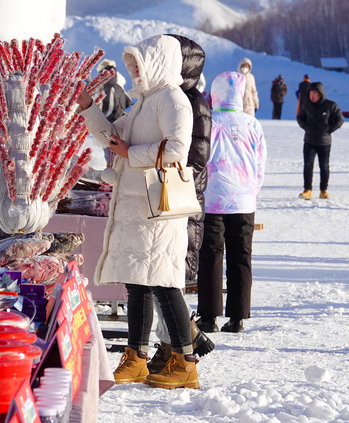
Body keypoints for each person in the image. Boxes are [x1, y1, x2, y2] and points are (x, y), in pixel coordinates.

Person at [77, 35, 199, 389]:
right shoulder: (143, 102)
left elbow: (177, 149)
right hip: (134, 205)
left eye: (138, 64)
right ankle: (136, 357)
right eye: (130, 65)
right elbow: (111, 137)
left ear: (157, 63)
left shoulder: (173, 100)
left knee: (163, 283)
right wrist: (89, 108)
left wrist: (131, 154)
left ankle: (185, 362)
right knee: (138, 283)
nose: (133, 71)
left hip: (158, 205)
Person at [147, 34, 214, 374]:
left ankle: (177, 345)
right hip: (168, 194)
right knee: (161, 275)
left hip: (177, 198)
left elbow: (196, 160)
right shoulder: (168, 98)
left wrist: (155, 163)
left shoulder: (188, 103)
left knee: (166, 277)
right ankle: (181, 338)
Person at [195, 71, 267, 334]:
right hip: (245, 201)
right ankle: (237, 318)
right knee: (241, 256)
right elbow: (261, 163)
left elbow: (200, 158)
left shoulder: (209, 122)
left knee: (211, 255)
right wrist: (251, 191)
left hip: (213, 199)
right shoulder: (253, 124)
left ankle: (208, 316)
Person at [296, 82, 344, 200]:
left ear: (320, 94)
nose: (312, 96)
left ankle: (323, 190)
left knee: (324, 166)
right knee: (308, 165)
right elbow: (300, 117)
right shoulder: (307, 105)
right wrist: (306, 127)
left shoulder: (330, 105)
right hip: (309, 141)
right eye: (310, 94)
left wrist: (329, 129)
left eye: (315, 94)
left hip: (324, 142)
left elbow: (340, 119)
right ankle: (307, 190)